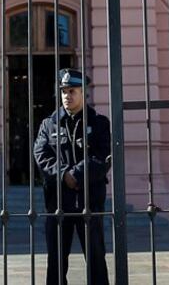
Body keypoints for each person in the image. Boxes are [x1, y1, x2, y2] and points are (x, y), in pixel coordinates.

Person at [33, 68, 111, 285]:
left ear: (83, 92)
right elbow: (40, 154)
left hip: (90, 201)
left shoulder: (99, 123)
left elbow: (103, 157)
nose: (67, 96)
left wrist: (76, 174)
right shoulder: (49, 124)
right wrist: (63, 174)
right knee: (56, 262)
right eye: (64, 91)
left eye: (72, 91)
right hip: (58, 202)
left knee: (96, 258)